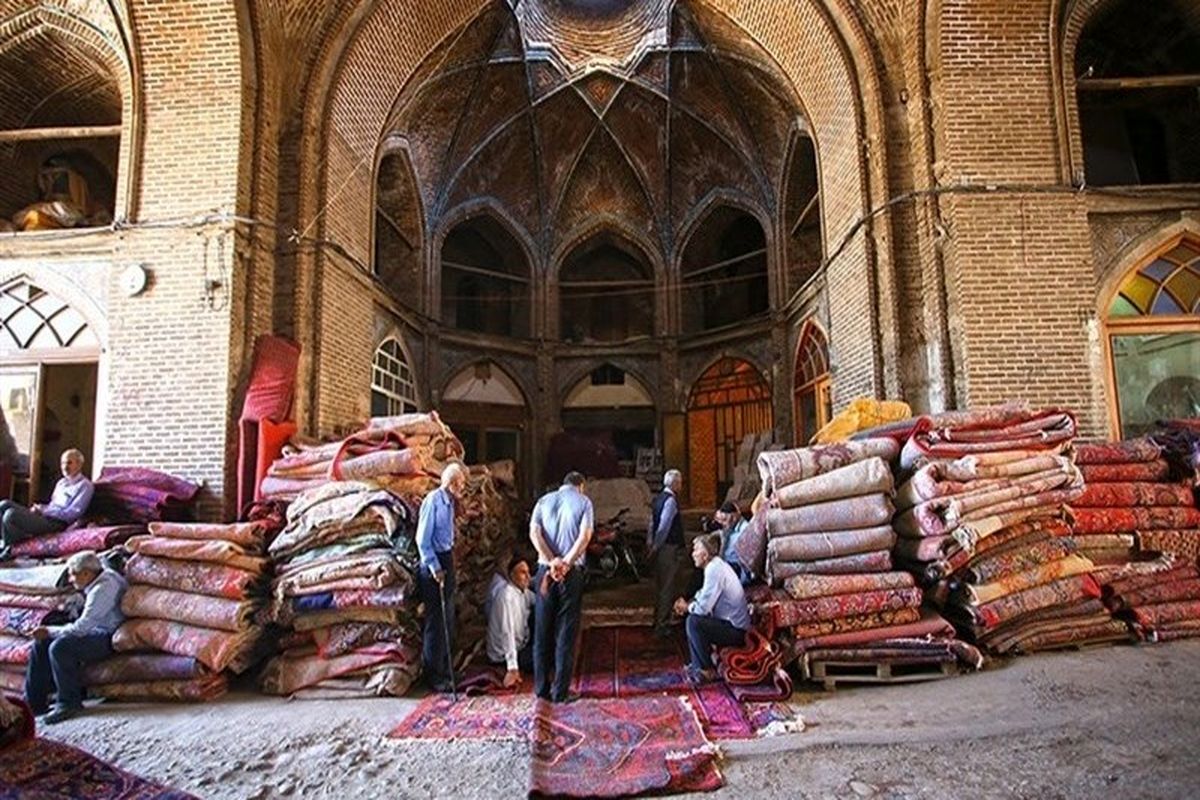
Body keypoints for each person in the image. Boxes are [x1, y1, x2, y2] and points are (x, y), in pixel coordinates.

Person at [25, 551, 127, 723]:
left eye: (73, 574)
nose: (71, 579)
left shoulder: (103, 589)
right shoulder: (101, 578)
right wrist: (47, 633)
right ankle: (34, 703)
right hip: (96, 630)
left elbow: (82, 628)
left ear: (86, 573)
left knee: (61, 647)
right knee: (41, 643)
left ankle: (69, 702)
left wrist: (49, 631)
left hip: (107, 636)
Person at [529, 471, 594, 703]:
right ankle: (560, 691)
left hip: (545, 572)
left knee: (542, 629)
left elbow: (534, 533)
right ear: (581, 486)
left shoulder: (543, 501)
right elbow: (585, 537)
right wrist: (566, 562)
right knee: (566, 630)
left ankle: (540, 688)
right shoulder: (584, 502)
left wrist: (551, 560)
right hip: (570, 572)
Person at [415, 462, 468, 693]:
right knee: (436, 622)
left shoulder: (450, 502)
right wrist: (435, 567)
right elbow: (422, 540)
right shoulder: (433, 501)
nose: (463, 487)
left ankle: (446, 670)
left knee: (448, 618)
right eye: (461, 483)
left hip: (446, 558)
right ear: (452, 483)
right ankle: (433, 675)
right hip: (433, 563)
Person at [673, 533, 750, 685]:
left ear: (705, 554)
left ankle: (706, 669)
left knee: (694, 621)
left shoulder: (714, 569)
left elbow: (703, 609)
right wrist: (689, 603)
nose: (693, 554)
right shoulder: (714, 566)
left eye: (696, 550)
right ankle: (698, 667)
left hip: (736, 630)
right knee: (693, 618)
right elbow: (703, 596)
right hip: (729, 625)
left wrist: (687, 607)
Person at [0, 448, 93, 561]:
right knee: (3, 504)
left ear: (79, 464)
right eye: (62, 463)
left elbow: (73, 513)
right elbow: (53, 505)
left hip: (58, 523)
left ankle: (11, 550)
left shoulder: (85, 486)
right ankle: (7, 545)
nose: (65, 467)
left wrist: (45, 511)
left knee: (11, 515)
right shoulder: (61, 483)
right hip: (45, 517)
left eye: (69, 463)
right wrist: (41, 508)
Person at [486, 555, 536, 688]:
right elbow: (506, 633)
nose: (527, 577)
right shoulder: (506, 596)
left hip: (521, 645)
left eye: (528, 573)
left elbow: (538, 601)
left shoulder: (523, 591)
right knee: (544, 658)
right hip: (503, 656)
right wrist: (512, 668)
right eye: (523, 573)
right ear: (512, 575)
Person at [648, 469, 685, 637]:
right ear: (675, 484)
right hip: (668, 547)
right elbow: (664, 527)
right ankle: (662, 625)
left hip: (660, 547)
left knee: (660, 585)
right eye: (680, 483)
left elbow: (651, 524)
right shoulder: (670, 501)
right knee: (667, 587)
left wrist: (650, 544)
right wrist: (656, 546)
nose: (681, 486)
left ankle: (657, 620)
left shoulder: (658, 499)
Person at [715, 501, 751, 584]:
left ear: (734, 516)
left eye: (725, 520)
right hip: (726, 564)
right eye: (721, 521)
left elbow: (746, 560)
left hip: (737, 567)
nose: (724, 524)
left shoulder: (745, 529)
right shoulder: (730, 528)